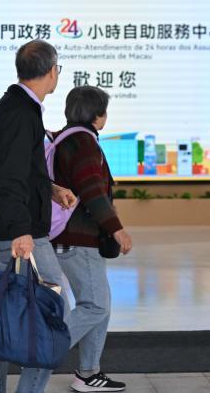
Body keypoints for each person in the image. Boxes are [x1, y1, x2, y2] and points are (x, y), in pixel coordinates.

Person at [0, 39, 78, 393]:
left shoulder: (16, 107)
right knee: (52, 312)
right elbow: (10, 179)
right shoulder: (21, 112)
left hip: (8, 229)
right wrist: (21, 231)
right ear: (51, 72)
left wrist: (50, 188)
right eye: (58, 69)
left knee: (2, 317)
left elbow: (19, 170)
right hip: (22, 234)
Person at [50, 86, 132, 393]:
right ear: (98, 115)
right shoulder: (83, 143)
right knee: (96, 306)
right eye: (104, 110)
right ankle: (46, 350)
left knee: (100, 305)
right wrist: (117, 229)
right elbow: (92, 192)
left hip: (68, 237)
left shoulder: (64, 138)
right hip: (79, 239)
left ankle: (88, 373)